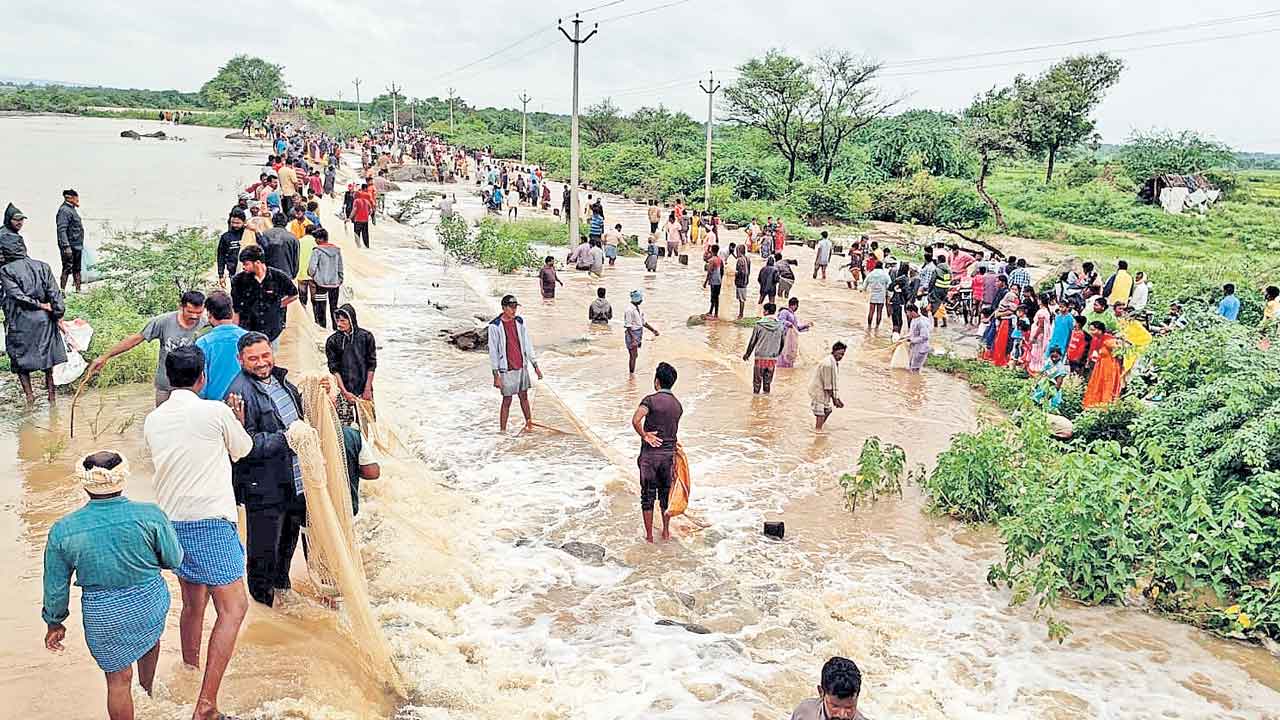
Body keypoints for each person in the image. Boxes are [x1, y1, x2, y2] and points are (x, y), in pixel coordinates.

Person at [142, 347, 251, 720]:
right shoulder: (215, 411)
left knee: (193, 604)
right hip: (210, 522)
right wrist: (237, 418)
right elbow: (244, 449)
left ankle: (189, 672)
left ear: (169, 378)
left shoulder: (153, 419)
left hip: (171, 524)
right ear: (202, 377)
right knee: (235, 608)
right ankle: (205, 704)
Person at [41, 451, 183, 720]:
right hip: (149, 602)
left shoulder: (64, 529)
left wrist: (54, 622)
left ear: (84, 483)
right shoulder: (151, 515)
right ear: (123, 478)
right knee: (150, 641)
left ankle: (140, 695)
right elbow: (174, 559)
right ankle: (148, 691)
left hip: (103, 616)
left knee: (118, 681)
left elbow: (55, 586)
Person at [225, 332, 306, 607]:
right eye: (253, 359)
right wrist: (286, 438)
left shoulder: (283, 382)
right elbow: (244, 446)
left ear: (272, 352)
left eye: (265, 355)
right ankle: (264, 609)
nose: (261, 363)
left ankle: (284, 597)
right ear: (240, 360)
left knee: (287, 546)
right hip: (264, 488)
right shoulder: (238, 394)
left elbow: (301, 420)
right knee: (262, 554)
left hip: (293, 482)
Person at [87, 290, 207, 407]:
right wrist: (105, 357)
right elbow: (135, 339)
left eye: (199, 313)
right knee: (162, 422)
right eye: (190, 312)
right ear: (181, 307)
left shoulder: (205, 325)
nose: (195, 316)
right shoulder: (163, 322)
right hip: (165, 386)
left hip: (193, 389)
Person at [1, 239, 66, 404]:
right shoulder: (43, 266)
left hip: (20, 320)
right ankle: (52, 397)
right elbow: (54, 293)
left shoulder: (6, 270)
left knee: (20, 360)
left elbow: (17, 295)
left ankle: (30, 398)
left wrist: (40, 305)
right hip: (44, 320)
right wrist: (58, 313)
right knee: (48, 359)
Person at [631, 362, 682, 543]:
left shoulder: (650, 400)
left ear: (657, 381)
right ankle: (666, 532)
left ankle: (650, 537)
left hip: (650, 457)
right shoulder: (677, 405)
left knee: (647, 496)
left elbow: (636, 419)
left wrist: (645, 435)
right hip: (668, 457)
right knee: (665, 495)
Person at [487, 295, 543, 432]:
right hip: (506, 368)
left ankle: (529, 424)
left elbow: (527, 344)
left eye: (515, 307)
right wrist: (496, 375)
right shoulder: (494, 326)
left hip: (521, 365)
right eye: (511, 307)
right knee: (507, 400)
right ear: (504, 308)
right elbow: (493, 351)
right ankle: (502, 431)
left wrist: (535, 366)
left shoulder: (519, 322)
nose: (514, 310)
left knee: (524, 396)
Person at [231, 245, 298, 352]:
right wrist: (234, 331)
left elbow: (294, 294)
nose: (243, 267)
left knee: (270, 359)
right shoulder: (238, 281)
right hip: (248, 330)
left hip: (272, 330)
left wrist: (278, 305)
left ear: (257, 263)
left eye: (246, 264)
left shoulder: (278, 277)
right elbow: (236, 309)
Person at [326, 304, 377, 426]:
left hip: (363, 387)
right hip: (343, 389)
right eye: (337, 320)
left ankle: (363, 445)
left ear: (351, 320)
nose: (339, 323)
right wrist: (344, 392)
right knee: (344, 426)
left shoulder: (366, 337)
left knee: (365, 424)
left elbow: (372, 364)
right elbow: (334, 369)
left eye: (343, 320)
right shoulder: (332, 341)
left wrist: (367, 389)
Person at [195, 291, 247, 401]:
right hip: (245, 399)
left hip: (215, 403)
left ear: (209, 315)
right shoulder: (248, 338)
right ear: (232, 313)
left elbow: (201, 380)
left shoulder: (203, 343)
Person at [790, 656, 868, 720]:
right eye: (835, 706)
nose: (842, 715)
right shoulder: (804, 713)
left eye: (849, 707)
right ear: (821, 692)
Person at [742, 303, 785, 394]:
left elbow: (752, 341)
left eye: (764, 310)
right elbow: (782, 343)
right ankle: (766, 403)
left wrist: (747, 354)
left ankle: (755, 403)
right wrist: (777, 354)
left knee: (757, 383)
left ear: (766, 312)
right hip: (772, 358)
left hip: (760, 357)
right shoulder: (780, 326)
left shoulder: (759, 325)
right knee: (767, 383)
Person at [306, 228, 343, 328]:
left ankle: (323, 329)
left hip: (321, 284)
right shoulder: (337, 250)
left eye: (316, 238)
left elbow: (311, 268)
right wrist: (339, 279)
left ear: (320, 239)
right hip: (335, 284)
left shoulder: (317, 251)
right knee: (334, 307)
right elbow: (340, 267)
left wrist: (314, 276)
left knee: (321, 308)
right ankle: (336, 328)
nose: (315, 241)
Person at [341, 425, 381, 516]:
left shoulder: (304, 436)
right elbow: (372, 472)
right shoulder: (351, 435)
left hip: (309, 512)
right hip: (345, 509)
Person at [1082, 321, 1122, 408]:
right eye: (1090, 330)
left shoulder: (1108, 340)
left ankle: (1105, 406)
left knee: (1107, 386)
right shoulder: (1097, 339)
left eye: (1093, 330)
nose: (1091, 332)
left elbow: (1120, 351)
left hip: (1109, 367)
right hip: (1100, 366)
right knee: (1097, 385)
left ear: (1100, 330)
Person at [810, 342, 846, 431]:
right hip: (818, 391)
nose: (841, 356)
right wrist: (835, 400)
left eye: (843, 354)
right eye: (840, 354)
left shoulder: (834, 362)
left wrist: (836, 398)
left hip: (824, 391)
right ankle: (817, 432)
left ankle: (818, 427)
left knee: (828, 410)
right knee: (820, 414)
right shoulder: (828, 364)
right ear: (834, 351)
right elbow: (828, 386)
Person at [56, 189, 85, 292]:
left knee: (77, 269)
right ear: (69, 198)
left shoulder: (72, 209)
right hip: (70, 246)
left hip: (77, 245)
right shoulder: (64, 210)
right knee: (67, 268)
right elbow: (61, 229)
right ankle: (62, 291)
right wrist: (66, 246)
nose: (77, 200)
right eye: (76, 198)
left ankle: (78, 291)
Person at [624, 290, 659, 374]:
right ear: (636, 299)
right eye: (640, 299)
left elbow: (643, 322)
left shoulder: (638, 309)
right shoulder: (629, 310)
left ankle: (632, 373)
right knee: (633, 356)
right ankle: (631, 375)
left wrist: (653, 330)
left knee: (635, 355)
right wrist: (634, 339)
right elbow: (628, 327)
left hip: (638, 334)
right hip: (632, 334)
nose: (641, 300)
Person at [218, 210, 252, 289]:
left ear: (244, 222)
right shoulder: (226, 237)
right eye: (233, 223)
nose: (234, 225)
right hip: (233, 272)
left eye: (238, 223)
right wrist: (221, 275)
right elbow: (221, 256)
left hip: (249, 271)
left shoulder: (249, 234)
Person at [261, 213, 299, 278]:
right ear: (286, 223)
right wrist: (293, 274)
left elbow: (261, 255)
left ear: (273, 221)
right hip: (286, 274)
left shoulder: (264, 234)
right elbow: (295, 259)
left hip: (269, 275)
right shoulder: (292, 238)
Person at [777, 297, 812, 369]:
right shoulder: (784, 312)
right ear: (794, 305)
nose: (797, 308)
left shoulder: (793, 315)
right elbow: (780, 321)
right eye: (797, 306)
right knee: (783, 354)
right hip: (784, 337)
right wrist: (788, 323)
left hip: (791, 340)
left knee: (791, 354)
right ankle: (781, 369)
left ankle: (788, 370)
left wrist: (806, 326)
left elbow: (796, 328)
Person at [864, 262, 891, 331]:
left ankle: (869, 326)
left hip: (873, 294)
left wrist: (863, 290)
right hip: (881, 295)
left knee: (871, 311)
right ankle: (877, 327)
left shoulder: (871, 274)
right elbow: (889, 285)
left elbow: (864, 285)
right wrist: (888, 294)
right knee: (879, 312)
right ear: (882, 266)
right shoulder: (885, 274)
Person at [906, 304, 931, 372]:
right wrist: (904, 338)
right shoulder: (914, 320)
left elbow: (925, 337)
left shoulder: (922, 322)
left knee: (915, 369)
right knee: (911, 367)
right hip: (915, 347)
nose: (907, 314)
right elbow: (912, 333)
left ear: (913, 312)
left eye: (908, 312)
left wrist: (911, 340)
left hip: (921, 348)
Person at [704, 244, 724, 318]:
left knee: (713, 297)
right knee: (716, 297)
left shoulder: (712, 260)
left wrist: (705, 282)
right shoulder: (720, 259)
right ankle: (714, 313)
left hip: (713, 281)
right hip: (718, 281)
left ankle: (712, 313)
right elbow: (722, 271)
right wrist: (721, 279)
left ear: (712, 250)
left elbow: (709, 272)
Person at [733, 245, 752, 319]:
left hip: (740, 281)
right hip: (745, 280)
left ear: (739, 251)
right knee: (742, 298)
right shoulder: (747, 258)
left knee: (741, 299)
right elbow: (748, 271)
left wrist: (733, 273)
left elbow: (740, 272)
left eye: (737, 251)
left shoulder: (740, 260)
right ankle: (741, 313)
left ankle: (740, 314)